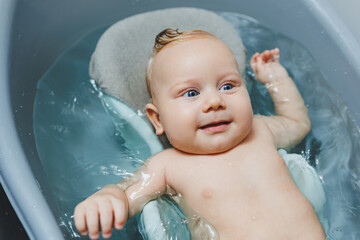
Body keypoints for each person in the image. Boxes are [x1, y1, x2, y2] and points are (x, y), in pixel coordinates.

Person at [74, 28, 325, 239]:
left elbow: (297, 122)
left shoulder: (261, 130)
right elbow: (129, 196)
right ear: (158, 119)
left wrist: (276, 80)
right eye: (191, 93)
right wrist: (108, 197)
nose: (214, 101)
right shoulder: (167, 166)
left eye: (227, 86)